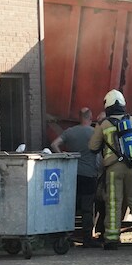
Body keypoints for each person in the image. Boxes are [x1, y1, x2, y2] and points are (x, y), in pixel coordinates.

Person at [89, 89, 132, 250]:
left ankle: (111, 238)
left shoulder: (104, 124)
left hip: (113, 168)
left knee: (113, 202)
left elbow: (92, 147)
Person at [53, 106, 102, 248]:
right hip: (89, 175)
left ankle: (67, 237)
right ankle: (87, 238)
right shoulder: (94, 133)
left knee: (70, 207)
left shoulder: (70, 132)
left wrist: (64, 156)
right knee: (87, 209)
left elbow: (54, 144)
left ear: (79, 117)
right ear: (90, 117)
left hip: (72, 175)